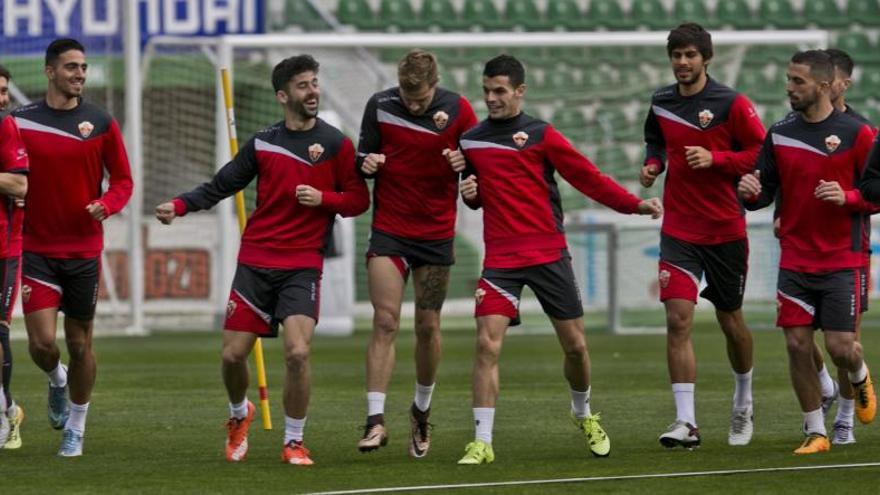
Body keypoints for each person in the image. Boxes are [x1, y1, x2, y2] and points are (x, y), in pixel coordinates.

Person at [155, 54, 369, 466]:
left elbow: (359, 200)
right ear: (283, 95)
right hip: (256, 260)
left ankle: (294, 440)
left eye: (315, 83)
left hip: (303, 263)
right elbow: (222, 185)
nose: (313, 92)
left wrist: (324, 199)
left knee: (298, 353)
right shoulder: (263, 142)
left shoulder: (337, 143)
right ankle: (239, 415)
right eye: (304, 86)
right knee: (232, 355)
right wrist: (179, 205)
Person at [455, 54, 663, 465]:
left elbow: (587, 177)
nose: (492, 99)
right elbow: (477, 195)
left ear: (520, 91)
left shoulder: (541, 134)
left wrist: (634, 205)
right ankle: (482, 441)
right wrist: (471, 194)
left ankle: (583, 413)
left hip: (548, 254)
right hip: (501, 260)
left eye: (500, 91)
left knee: (576, 348)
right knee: (486, 344)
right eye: (486, 91)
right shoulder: (471, 140)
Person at [738, 49, 877, 454]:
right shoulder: (779, 132)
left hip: (842, 258)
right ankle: (816, 432)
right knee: (797, 344)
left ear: (823, 85)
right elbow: (764, 190)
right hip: (796, 258)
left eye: (797, 81)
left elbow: (875, 193)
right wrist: (749, 194)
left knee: (840, 347)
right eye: (788, 79)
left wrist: (848, 196)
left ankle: (859, 374)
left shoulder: (858, 132)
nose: (789, 88)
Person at [640, 23, 766, 448]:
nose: (681, 62)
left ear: (706, 59)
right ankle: (686, 423)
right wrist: (653, 165)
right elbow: (654, 140)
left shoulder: (731, 103)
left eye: (690, 55)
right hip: (679, 229)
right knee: (677, 319)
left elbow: (761, 154)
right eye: (676, 55)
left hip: (725, 228)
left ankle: (744, 401)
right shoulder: (661, 101)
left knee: (731, 321)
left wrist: (717, 159)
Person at [13, 39, 133, 457]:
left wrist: (108, 204)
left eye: (83, 67)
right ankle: (57, 380)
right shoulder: (19, 122)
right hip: (35, 249)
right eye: (70, 67)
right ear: (49, 72)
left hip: (83, 252)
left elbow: (123, 180)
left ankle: (77, 428)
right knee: (42, 344)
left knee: (81, 344)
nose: (79, 74)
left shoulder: (100, 122)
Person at [356, 49, 477, 457]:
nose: (414, 105)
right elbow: (360, 158)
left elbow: (478, 171)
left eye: (421, 100)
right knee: (386, 321)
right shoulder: (380, 105)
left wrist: (466, 166)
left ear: (435, 84)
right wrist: (367, 163)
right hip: (389, 231)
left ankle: (421, 412)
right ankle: (374, 421)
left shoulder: (459, 110)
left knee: (428, 327)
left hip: (435, 236)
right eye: (408, 99)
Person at [0, 64, 28, 449]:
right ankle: (11, 409)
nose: (1, 98)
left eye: (3, 90)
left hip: (3, 250)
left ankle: (3, 416)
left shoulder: (5, 127)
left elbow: (19, 182)